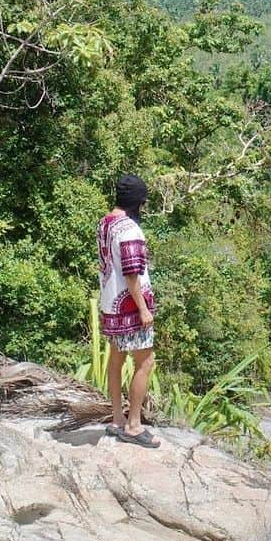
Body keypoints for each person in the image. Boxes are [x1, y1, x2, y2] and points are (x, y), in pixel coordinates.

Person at [97, 172, 159, 447]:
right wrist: (144, 309)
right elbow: (133, 274)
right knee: (145, 362)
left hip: (110, 305)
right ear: (136, 202)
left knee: (116, 358)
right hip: (131, 308)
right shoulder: (130, 229)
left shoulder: (105, 223)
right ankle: (134, 426)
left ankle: (116, 419)